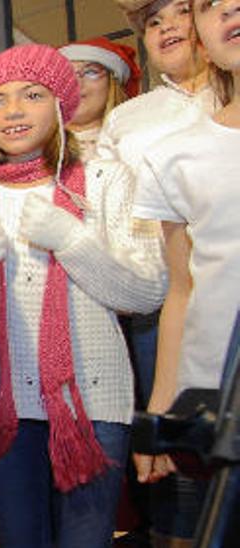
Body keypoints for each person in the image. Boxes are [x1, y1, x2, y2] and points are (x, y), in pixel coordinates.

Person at [0, 44, 167, 547]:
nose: (14, 111)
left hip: (92, 402)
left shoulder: (106, 180)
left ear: (62, 102)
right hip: (3, 404)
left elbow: (147, 290)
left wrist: (71, 239)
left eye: (32, 95)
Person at [135, 1, 240, 544]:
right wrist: (161, 408)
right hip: (212, 407)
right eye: (207, 4)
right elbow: (181, 290)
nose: (227, 7)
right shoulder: (177, 157)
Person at [59, 37, 141, 160]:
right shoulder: (28, 152)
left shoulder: (137, 146)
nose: (75, 83)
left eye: (90, 72)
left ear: (113, 85)